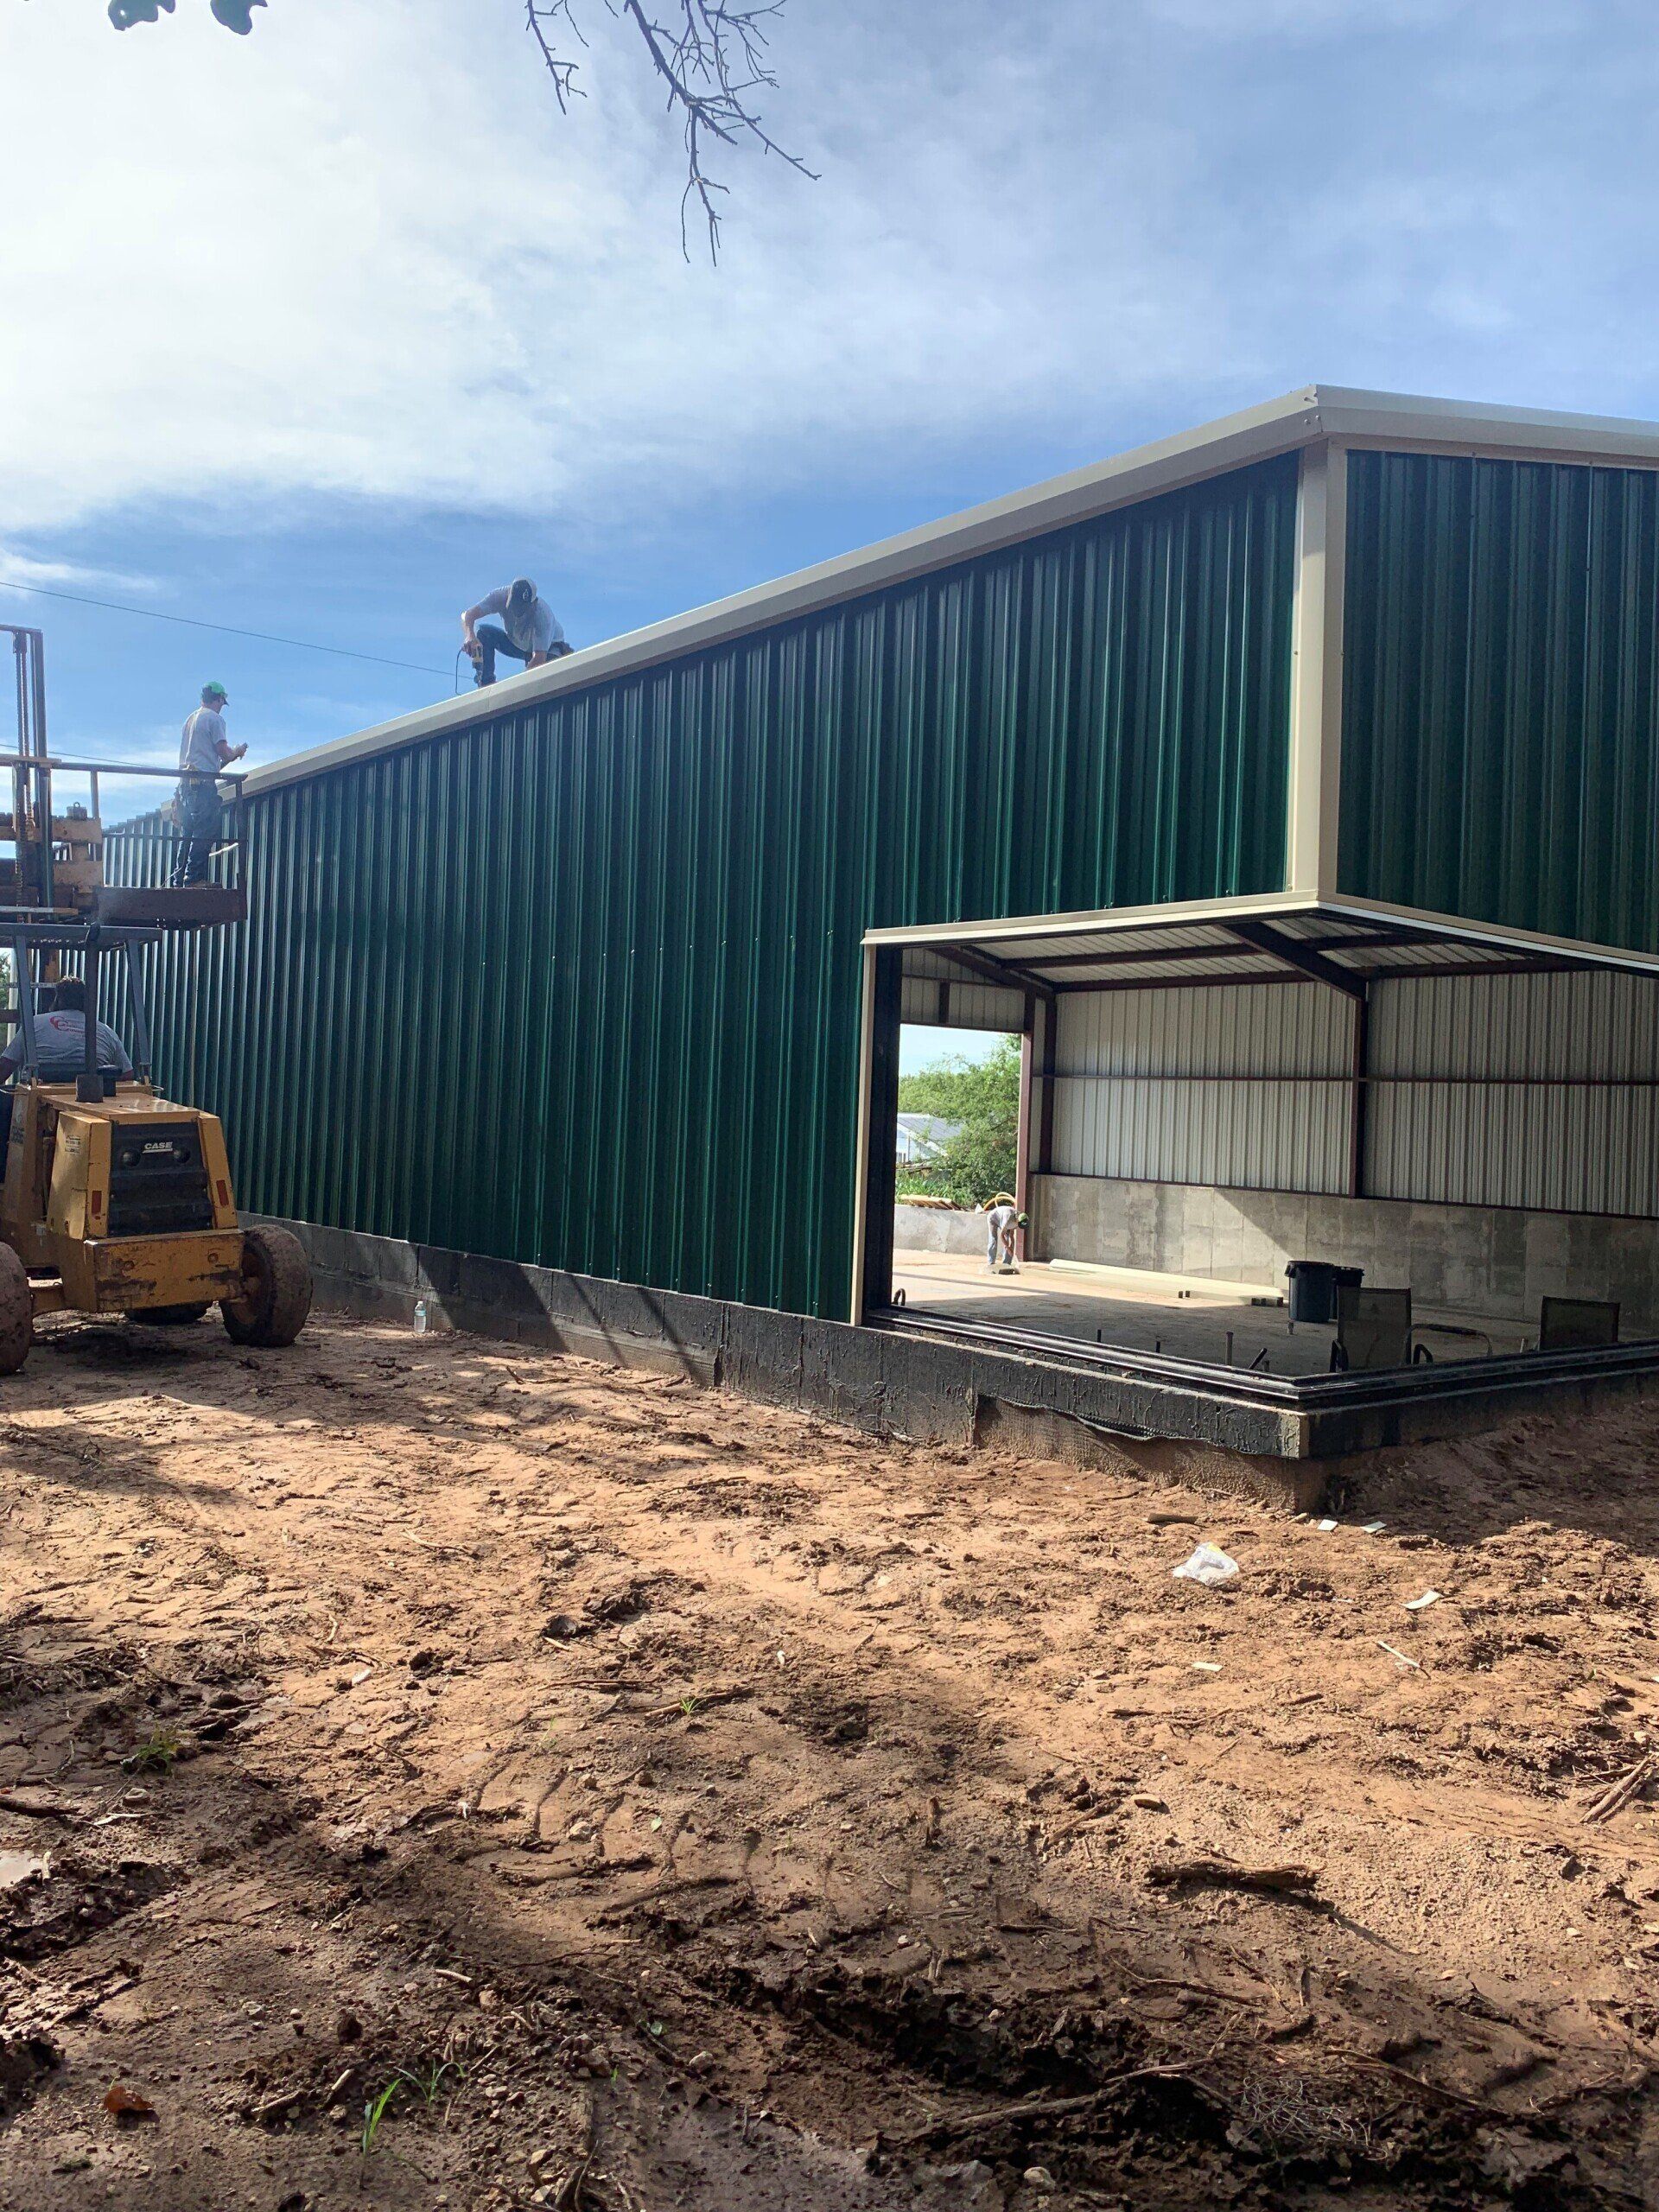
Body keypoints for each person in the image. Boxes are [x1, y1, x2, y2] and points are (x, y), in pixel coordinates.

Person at [0, 976, 137, 1150]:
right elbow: (128, 1074)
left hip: (40, 1102)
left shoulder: (35, 1023)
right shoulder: (104, 1030)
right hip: (91, 1101)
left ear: (58, 999)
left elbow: (5, 1067)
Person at [173, 682, 246, 887]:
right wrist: (237, 752)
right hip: (203, 784)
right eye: (222, 701)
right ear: (219, 699)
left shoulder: (191, 719)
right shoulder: (215, 719)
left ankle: (180, 879)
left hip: (185, 785)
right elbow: (224, 752)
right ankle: (194, 878)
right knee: (205, 830)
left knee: (188, 832)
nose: (222, 706)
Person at [461, 578, 571, 686]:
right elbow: (468, 615)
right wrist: (470, 636)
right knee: (483, 632)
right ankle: (486, 683)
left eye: (522, 610)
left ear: (534, 603)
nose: (517, 614)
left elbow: (539, 658)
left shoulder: (543, 615)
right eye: (514, 607)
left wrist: (515, 688)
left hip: (548, 649)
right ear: (508, 597)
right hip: (516, 644)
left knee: (544, 679)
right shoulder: (499, 597)